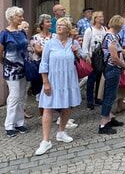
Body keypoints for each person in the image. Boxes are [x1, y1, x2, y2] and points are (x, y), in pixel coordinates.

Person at [35, 18, 85, 155]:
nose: (58, 27)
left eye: (62, 25)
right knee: (48, 107)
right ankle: (45, 141)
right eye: (57, 25)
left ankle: (61, 131)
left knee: (67, 105)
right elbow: (43, 64)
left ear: (68, 29)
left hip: (69, 79)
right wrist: (45, 82)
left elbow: (86, 59)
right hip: (53, 80)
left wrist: (78, 52)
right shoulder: (50, 44)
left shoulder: (73, 43)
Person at [0, 6, 29, 137]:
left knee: (21, 96)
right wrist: (7, 64)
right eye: (20, 16)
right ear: (11, 17)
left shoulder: (22, 32)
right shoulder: (4, 34)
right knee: (14, 96)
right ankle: (9, 125)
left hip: (23, 67)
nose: (22, 18)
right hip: (11, 70)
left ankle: (19, 123)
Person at [99, 15, 125, 134]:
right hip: (112, 68)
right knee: (109, 96)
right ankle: (103, 123)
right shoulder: (111, 37)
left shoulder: (113, 36)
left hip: (114, 68)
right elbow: (114, 57)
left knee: (112, 94)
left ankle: (109, 118)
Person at [29, 14, 56, 123]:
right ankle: (42, 115)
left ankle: (51, 113)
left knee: (53, 89)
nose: (50, 24)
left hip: (53, 66)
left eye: (50, 22)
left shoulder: (54, 36)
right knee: (41, 90)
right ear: (42, 24)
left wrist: (46, 49)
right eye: (47, 22)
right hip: (40, 66)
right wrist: (51, 49)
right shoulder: (35, 37)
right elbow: (38, 51)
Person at [82, 11, 107, 110]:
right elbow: (85, 45)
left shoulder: (105, 29)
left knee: (100, 79)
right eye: (100, 17)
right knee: (91, 80)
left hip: (102, 57)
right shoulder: (90, 30)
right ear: (95, 18)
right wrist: (87, 57)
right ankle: (89, 100)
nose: (102, 18)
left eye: (102, 16)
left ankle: (98, 97)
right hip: (92, 57)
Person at [18, 21, 33, 119]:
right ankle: (18, 112)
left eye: (27, 27)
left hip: (27, 68)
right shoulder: (18, 39)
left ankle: (22, 110)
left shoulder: (26, 39)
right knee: (17, 92)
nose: (27, 29)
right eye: (24, 27)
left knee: (25, 91)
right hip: (19, 68)